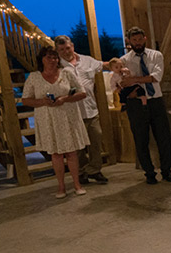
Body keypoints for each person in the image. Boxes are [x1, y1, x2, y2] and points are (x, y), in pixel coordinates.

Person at [20, 46, 90, 198]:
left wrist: (65, 98)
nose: (52, 61)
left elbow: (82, 93)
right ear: (42, 60)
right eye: (49, 58)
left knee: (71, 152)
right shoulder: (34, 77)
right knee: (56, 154)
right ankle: (61, 186)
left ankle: (77, 184)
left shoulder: (67, 74)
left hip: (67, 116)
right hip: (47, 118)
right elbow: (25, 99)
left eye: (55, 57)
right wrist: (42, 101)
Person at [121, 26, 171, 185]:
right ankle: (149, 173)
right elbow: (123, 82)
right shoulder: (124, 60)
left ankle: (167, 171)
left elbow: (156, 77)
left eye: (139, 39)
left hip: (156, 100)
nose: (137, 43)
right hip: (136, 104)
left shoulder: (156, 55)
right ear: (129, 41)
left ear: (145, 39)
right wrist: (130, 84)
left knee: (164, 137)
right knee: (141, 139)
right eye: (134, 40)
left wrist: (135, 79)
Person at [55, 35, 110, 184]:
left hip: (91, 109)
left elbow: (103, 65)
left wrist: (119, 64)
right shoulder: (57, 67)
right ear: (57, 51)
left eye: (67, 48)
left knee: (96, 140)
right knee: (78, 146)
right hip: (72, 112)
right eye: (61, 49)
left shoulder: (87, 60)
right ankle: (81, 172)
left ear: (72, 46)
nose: (66, 51)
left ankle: (94, 170)